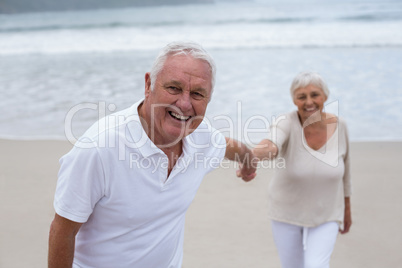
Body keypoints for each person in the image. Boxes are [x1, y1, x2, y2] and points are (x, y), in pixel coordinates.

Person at [48, 41, 257, 268]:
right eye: (174, 88)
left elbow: (228, 146)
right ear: (149, 85)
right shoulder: (99, 149)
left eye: (197, 93)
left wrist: (249, 162)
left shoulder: (201, 138)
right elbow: (63, 231)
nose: (184, 104)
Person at [252, 71, 352, 268]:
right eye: (301, 96)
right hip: (286, 211)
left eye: (314, 95)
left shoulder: (341, 126)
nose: (309, 102)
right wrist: (251, 156)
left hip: (328, 212)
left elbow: (346, 173)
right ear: (293, 99)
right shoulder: (286, 122)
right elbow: (272, 143)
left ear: (325, 96)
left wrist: (347, 210)